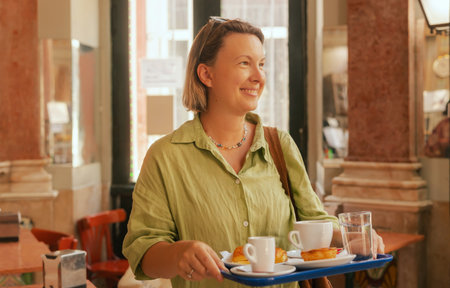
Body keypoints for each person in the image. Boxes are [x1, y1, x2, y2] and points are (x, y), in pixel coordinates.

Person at [122, 17, 384, 288]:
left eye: (261, 64)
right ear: (206, 74)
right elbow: (142, 252)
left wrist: (347, 238)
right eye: (244, 63)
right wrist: (178, 254)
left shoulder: (279, 144)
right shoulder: (166, 156)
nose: (259, 77)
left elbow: (314, 219)